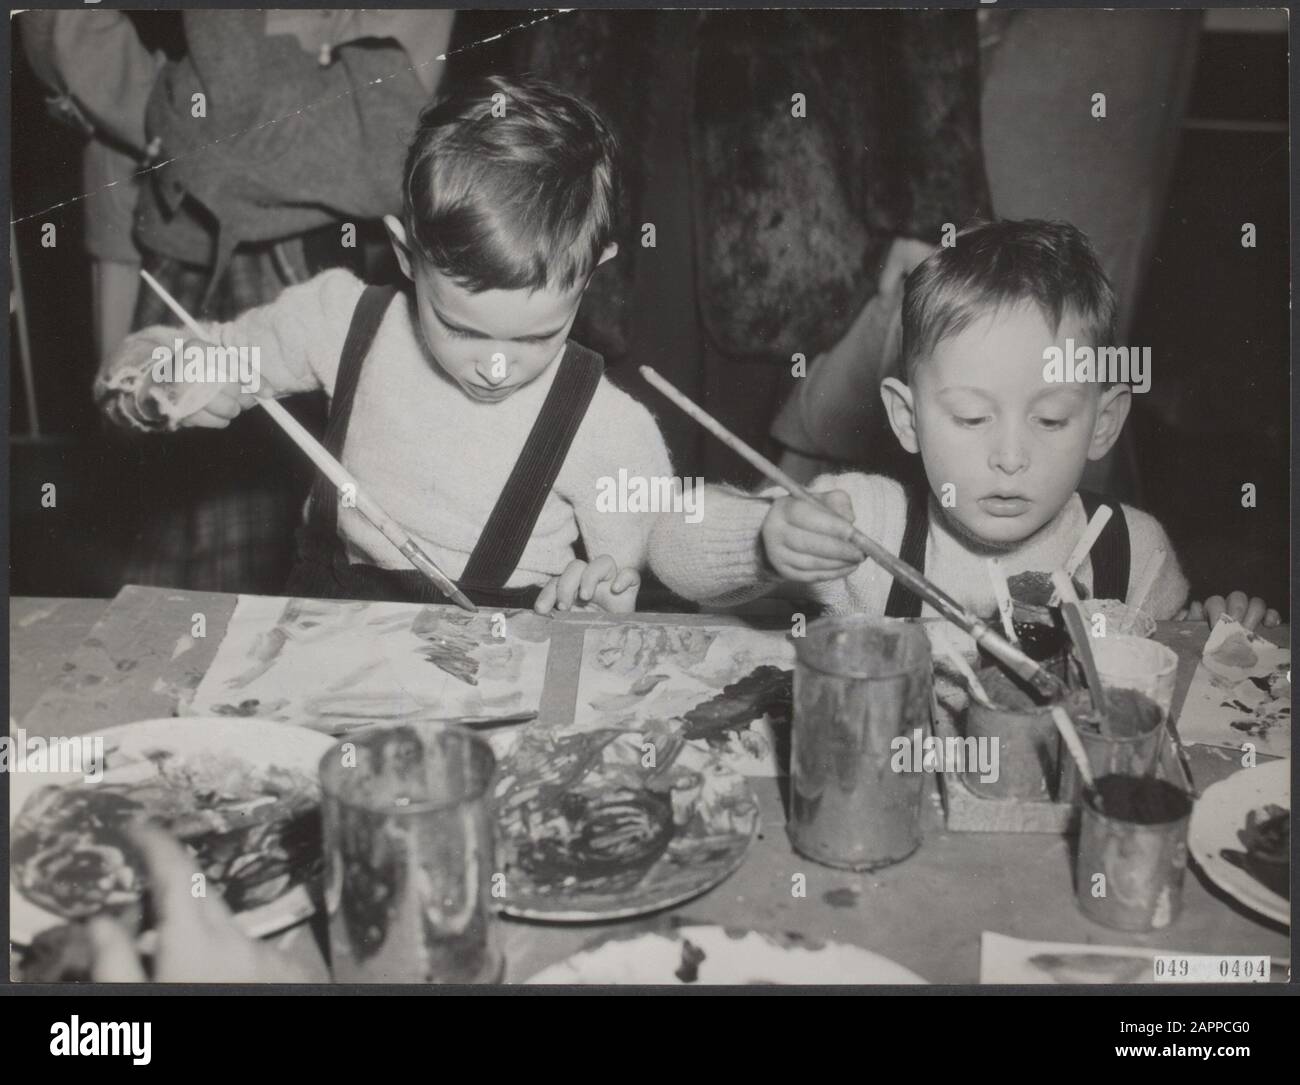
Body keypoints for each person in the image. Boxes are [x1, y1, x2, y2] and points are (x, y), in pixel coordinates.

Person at [97, 75, 672, 615]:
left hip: (499, 691)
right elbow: (181, 352)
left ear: (592, 275)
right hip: (328, 655)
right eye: (463, 329)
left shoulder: (608, 429)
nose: (496, 367)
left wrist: (608, 605)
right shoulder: (340, 321)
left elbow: (656, 554)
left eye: (536, 336)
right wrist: (159, 380)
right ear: (405, 255)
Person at [649, 220, 1281, 630]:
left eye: (1052, 419)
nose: (1010, 455)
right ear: (907, 418)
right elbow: (670, 548)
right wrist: (764, 539)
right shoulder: (870, 527)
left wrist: (1216, 632)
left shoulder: (1134, 554)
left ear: (1104, 422)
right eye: (973, 416)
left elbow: (1169, 694)